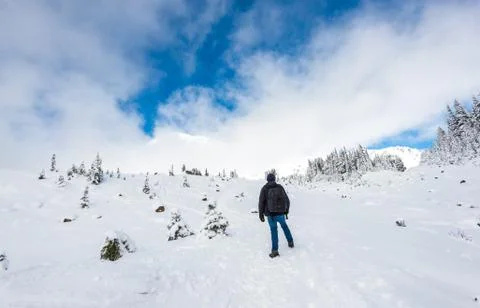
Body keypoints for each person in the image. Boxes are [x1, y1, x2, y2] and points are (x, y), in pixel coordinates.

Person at [258, 173, 294, 258]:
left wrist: (261, 214)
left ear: (267, 180)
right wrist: (286, 211)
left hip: (270, 215)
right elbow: (287, 200)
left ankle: (275, 251)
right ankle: (291, 242)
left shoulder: (264, 188)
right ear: (274, 179)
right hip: (280, 213)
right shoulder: (280, 187)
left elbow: (261, 203)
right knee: (285, 226)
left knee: (274, 231)